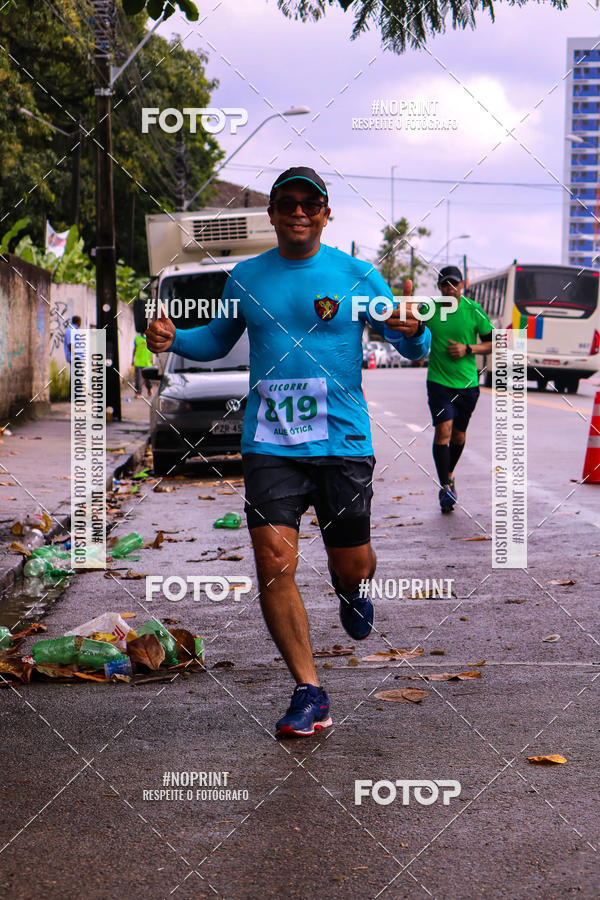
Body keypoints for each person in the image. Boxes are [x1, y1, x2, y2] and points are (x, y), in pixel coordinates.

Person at [146, 166, 430, 738]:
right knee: (275, 565)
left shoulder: (358, 275)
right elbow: (216, 341)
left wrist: (414, 329)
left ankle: (353, 589)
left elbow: (409, 337)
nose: (298, 211)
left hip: (342, 439)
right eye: (287, 202)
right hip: (270, 442)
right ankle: (309, 689)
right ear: (273, 214)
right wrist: (176, 338)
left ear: (326, 214)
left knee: (350, 560)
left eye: (310, 203)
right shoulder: (245, 277)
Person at [424, 265, 493, 512]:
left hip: (467, 384)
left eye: (454, 284)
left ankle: (450, 474)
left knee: (459, 435)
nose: (449, 288)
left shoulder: (473, 310)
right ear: (439, 287)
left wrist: (468, 348)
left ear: (462, 285)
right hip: (439, 382)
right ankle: (445, 488)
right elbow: (411, 329)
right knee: (443, 430)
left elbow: (493, 344)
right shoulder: (429, 310)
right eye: (444, 284)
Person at [131, 330, 154, 398]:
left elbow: (152, 349)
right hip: (138, 362)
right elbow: (134, 349)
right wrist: (133, 360)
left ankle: (149, 388)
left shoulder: (150, 338)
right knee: (138, 379)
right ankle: (138, 393)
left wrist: (152, 359)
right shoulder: (137, 338)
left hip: (147, 363)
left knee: (148, 379)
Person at [63, 315, 81, 394]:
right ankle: (73, 396)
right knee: (75, 376)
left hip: (75, 356)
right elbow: (70, 345)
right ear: (78, 322)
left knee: (76, 376)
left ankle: (76, 395)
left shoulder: (74, 330)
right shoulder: (71, 331)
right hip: (74, 357)